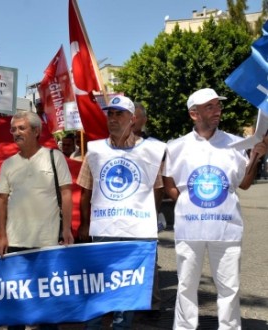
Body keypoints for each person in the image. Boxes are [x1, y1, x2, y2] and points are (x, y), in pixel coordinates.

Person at [163, 88, 267, 330]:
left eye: (218, 106)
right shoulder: (176, 146)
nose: (217, 110)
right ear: (194, 114)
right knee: (186, 286)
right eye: (209, 106)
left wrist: (257, 158)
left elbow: (245, 182)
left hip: (227, 229)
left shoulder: (236, 143)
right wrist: (186, 204)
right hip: (189, 230)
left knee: (229, 288)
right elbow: (168, 182)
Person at [77, 96, 165, 329]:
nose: (113, 119)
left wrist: (150, 219)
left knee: (128, 286)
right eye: (110, 114)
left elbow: (157, 190)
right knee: (99, 283)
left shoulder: (150, 151)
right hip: (103, 230)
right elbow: (85, 191)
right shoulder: (95, 151)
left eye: (119, 114)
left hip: (136, 230)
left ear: (132, 119)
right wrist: (84, 224)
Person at [0, 111, 73, 330]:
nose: (16, 133)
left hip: (47, 242)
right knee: (17, 303)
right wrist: (2, 236)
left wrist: (66, 229)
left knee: (47, 303)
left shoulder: (54, 157)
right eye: (13, 129)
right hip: (15, 242)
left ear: (37, 131)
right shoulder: (8, 164)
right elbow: (1, 201)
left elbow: (66, 194)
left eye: (21, 128)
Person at [133, 102, 164, 318]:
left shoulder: (155, 147)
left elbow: (159, 185)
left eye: (135, 117)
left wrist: (152, 212)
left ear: (144, 120)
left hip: (145, 215)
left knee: (148, 259)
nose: (131, 121)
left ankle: (152, 304)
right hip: (119, 217)